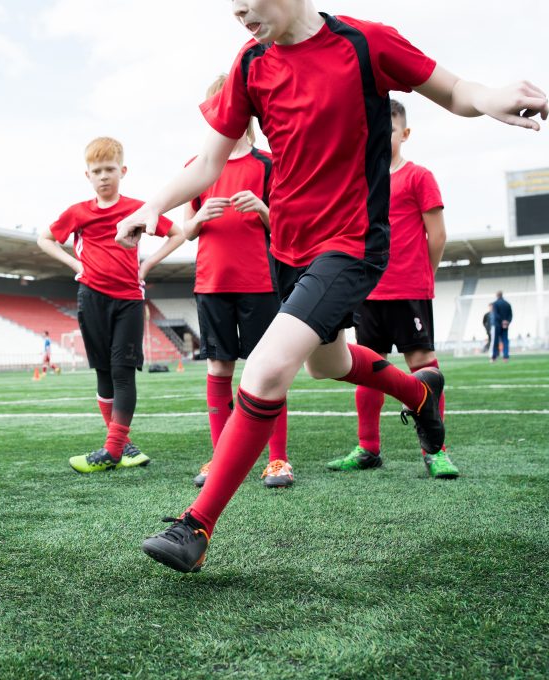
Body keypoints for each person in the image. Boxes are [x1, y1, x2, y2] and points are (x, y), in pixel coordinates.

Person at [117, 0, 546, 573]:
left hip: (352, 242)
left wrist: (491, 98)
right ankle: (421, 395)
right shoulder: (249, 64)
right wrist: (152, 205)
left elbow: (454, 89)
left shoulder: (366, 43)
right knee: (327, 363)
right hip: (286, 249)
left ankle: (195, 525)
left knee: (267, 369)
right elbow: (207, 163)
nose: (238, 9)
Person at [327, 99, 458, 479]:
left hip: (409, 288)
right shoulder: (360, 179)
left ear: (405, 133)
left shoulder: (418, 177)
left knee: (422, 366)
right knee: (370, 369)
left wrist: (423, 276)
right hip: (367, 290)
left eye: (389, 128)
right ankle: (368, 448)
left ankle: (436, 450)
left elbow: (438, 234)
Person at [37, 136, 185, 473]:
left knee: (122, 373)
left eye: (110, 169)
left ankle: (112, 451)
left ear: (123, 170)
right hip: (91, 299)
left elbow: (177, 233)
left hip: (129, 300)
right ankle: (120, 445)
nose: (104, 176)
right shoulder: (78, 212)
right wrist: (76, 266)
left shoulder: (138, 209)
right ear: (87, 175)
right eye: (97, 171)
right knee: (103, 375)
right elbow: (44, 239)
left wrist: (146, 266)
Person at [184, 74, 292, 489]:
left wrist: (264, 208)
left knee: (268, 371)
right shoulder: (195, 169)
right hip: (211, 283)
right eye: (217, 107)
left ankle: (278, 459)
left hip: (260, 283)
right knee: (218, 367)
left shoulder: (267, 164)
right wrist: (198, 217)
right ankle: (220, 460)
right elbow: (185, 230)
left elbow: (287, 226)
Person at [491, 291, 513, 362]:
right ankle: (505, 357)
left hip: (497, 325)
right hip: (505, 326)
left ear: (497, 296)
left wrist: (501, 321)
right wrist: (507, 321)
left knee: (495, 341)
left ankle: (494, 357)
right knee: (505, 340)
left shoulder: (495, 304)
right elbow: (510, 315)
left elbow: (496, 315)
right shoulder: (507, 304)